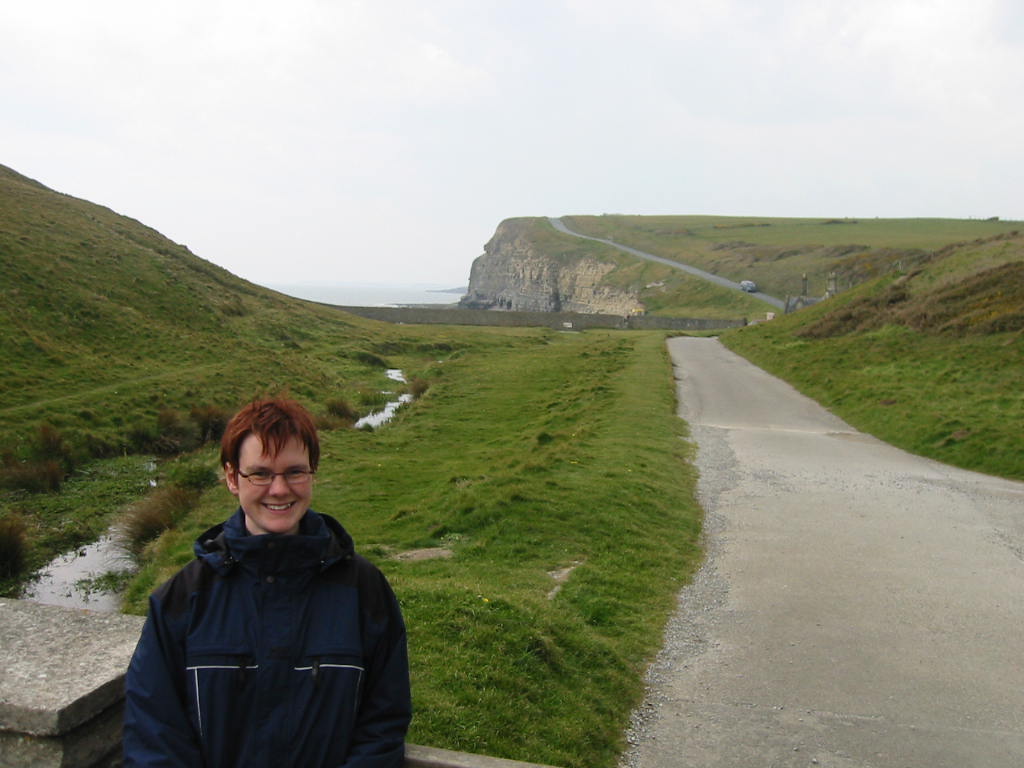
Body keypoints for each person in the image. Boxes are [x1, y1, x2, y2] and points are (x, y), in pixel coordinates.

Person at [124, 397, 411, 767]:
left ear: (312, 474)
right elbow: (154, 736)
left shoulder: (364, 590)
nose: (279, 489)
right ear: (232, 478)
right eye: (260, 473)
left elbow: (383, 724)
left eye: (294, 472)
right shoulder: (182, 599)